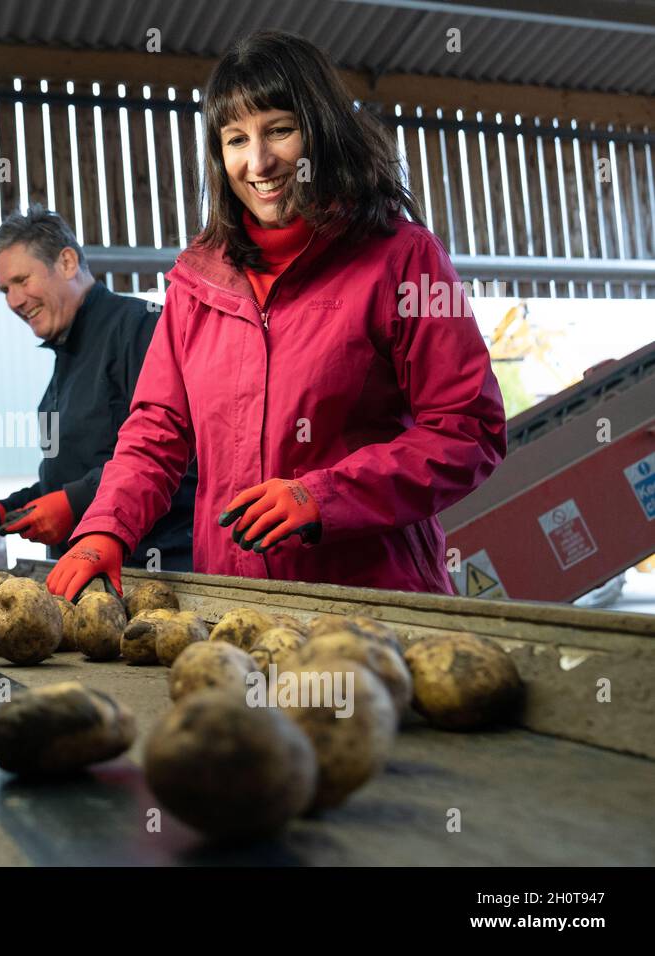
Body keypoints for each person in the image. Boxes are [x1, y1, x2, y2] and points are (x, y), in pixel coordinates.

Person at [47, 30, 507, 600]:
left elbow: (467, 430)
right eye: (236, 139)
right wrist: (104, 529)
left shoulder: (401, 258)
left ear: (322, 130)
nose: (258, 162)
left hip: (371, 605)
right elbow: (155, 432)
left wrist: (326, 496)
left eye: (280, 130)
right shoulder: (198, 280)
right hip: (235, 604)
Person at [0, 206, 196, 570]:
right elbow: (66, 478)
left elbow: (180, 457)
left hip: (153, 574)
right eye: (5, 289)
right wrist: (0, 514)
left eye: (23, 280)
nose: (13, 301)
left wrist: (74, 502)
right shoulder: (66, 355)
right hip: (81, 576)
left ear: (68, 263)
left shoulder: (141, 329)